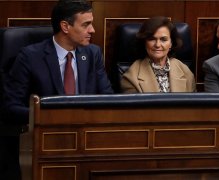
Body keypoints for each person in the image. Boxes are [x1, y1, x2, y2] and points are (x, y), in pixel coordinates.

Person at [1, 0, 113, 179]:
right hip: (47, 141)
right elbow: (10, 107)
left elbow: (108, 100)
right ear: (65, 26)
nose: (92, 30)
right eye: (86, 24)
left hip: (87, 140)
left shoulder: (93, 54)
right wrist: (49, 116)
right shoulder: (30, 56)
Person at [121, 16, 196, 93]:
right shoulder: (131, 76)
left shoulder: (185, 71)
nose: (157, 44)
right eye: (152, 39)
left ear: (171, 43)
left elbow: (193, 104)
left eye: (163, 39)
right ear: (144, 43)